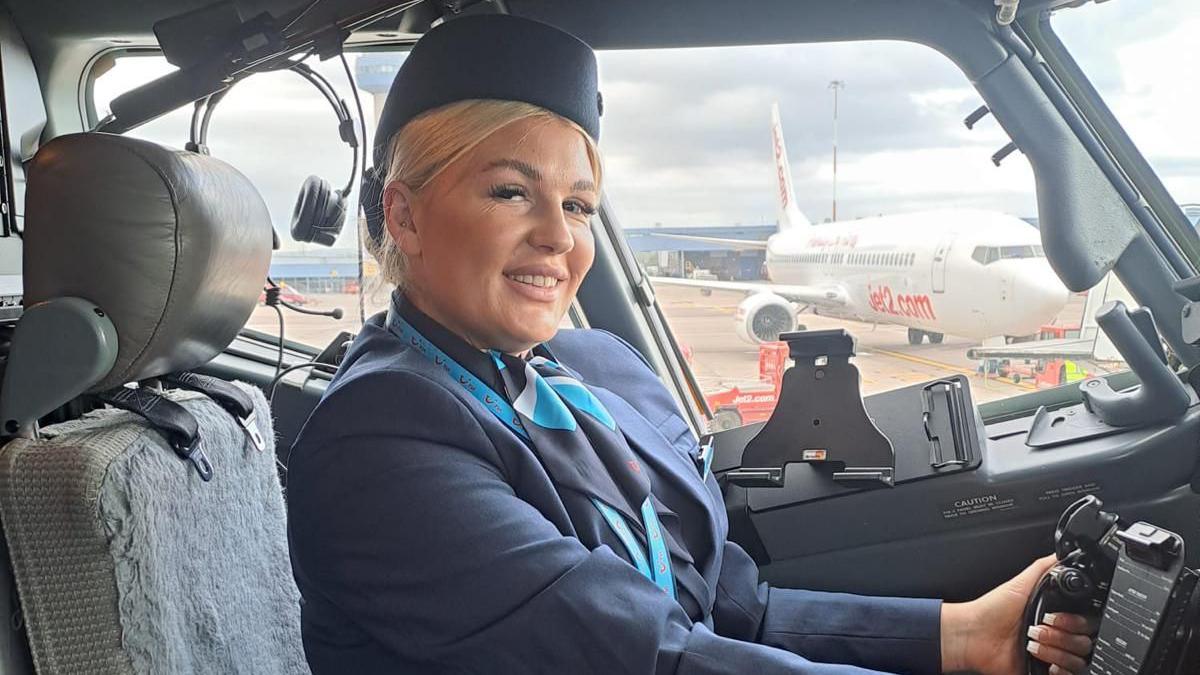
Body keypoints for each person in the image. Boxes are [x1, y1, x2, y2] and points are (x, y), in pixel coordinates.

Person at [286, 14, 1094, 674]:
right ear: (405, 215)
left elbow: (727, 607)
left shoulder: (594, 371)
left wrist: (963, 636)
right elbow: (655, 660)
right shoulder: (379, 440)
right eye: (510, 192)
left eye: (576, 206)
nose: (557, 239)